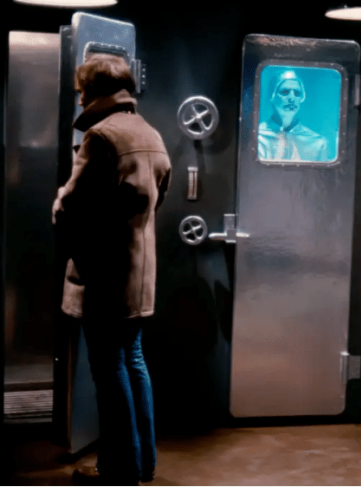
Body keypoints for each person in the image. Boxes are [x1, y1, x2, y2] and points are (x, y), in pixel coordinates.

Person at [52, 53, 171, 486]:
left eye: (81, 90)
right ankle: (143, 463)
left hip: (103, 273)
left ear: (93, 90)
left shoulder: (100, 137)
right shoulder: (150, 134)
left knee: (109, 369)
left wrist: (60, 209)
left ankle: (120, 470)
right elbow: (156, 200)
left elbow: (69, 207)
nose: (79, 98)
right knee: (133, 361)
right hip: (139, 273)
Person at [258, 69, 329, 161]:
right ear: (272, 96)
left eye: (297, 93)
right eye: (285, 92)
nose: (292, 98)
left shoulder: (317, 142)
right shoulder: (257, 138)